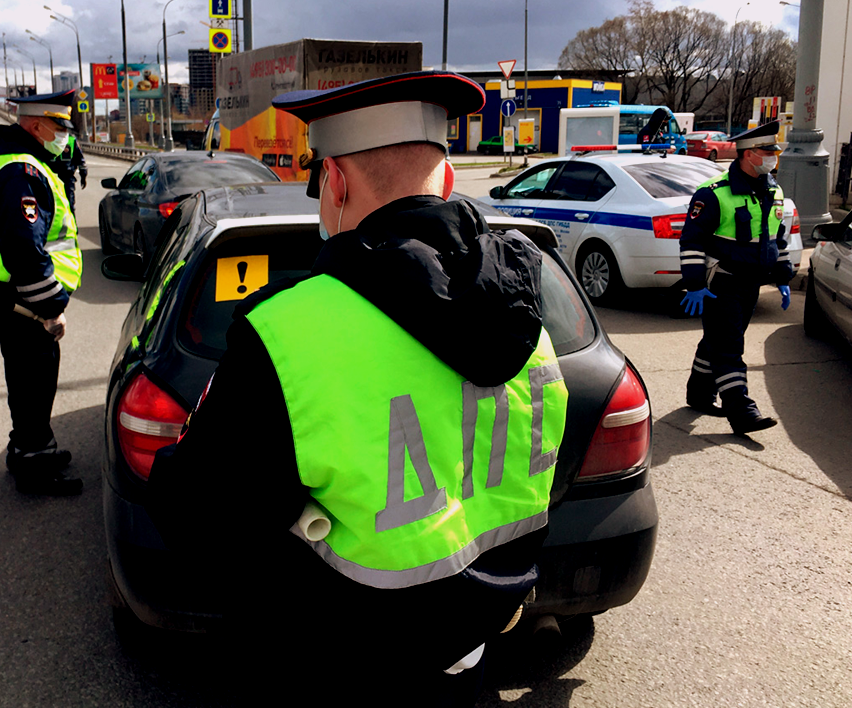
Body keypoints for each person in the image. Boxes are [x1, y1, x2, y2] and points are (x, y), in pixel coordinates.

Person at [147, 71, 569, 705]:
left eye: (321, 181)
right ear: (448, 180)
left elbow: (204, 520)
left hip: (342, 670)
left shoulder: (289, 331)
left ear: (336, 183)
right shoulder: (527, 313)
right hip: (472, 659)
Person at [0, 88, 83, 496]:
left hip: (13, 297)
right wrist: (51, 307)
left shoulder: (18, 162)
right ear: (36, 125)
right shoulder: (20, 172)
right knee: (34, 383)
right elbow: (23, 249)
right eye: (59, 126)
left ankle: (29, 449)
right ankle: (36, 469)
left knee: (26, 379)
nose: (66, 135)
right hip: (25, 301)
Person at [679, 120, 793, 435]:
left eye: (774, 150)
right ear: (746, 154)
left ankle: (699, 394)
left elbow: (776, 239)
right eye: (766, 150)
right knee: (730, 346)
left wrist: (783, 276)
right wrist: (696, 284)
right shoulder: (715, 193)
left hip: (751, 284)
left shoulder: (773, 190)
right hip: (722, 284)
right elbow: (692, 240)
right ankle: (741, 411)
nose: (773, 156)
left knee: (716, 340)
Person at [52, 132, 87, 216]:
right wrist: (83, 176)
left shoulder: (71, 140)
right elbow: (81, 160)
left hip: (65, 178)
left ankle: (71, 227)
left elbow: (80, 160)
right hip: (52, 178)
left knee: (68, 206)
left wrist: (83, 176)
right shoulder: (45, 137)